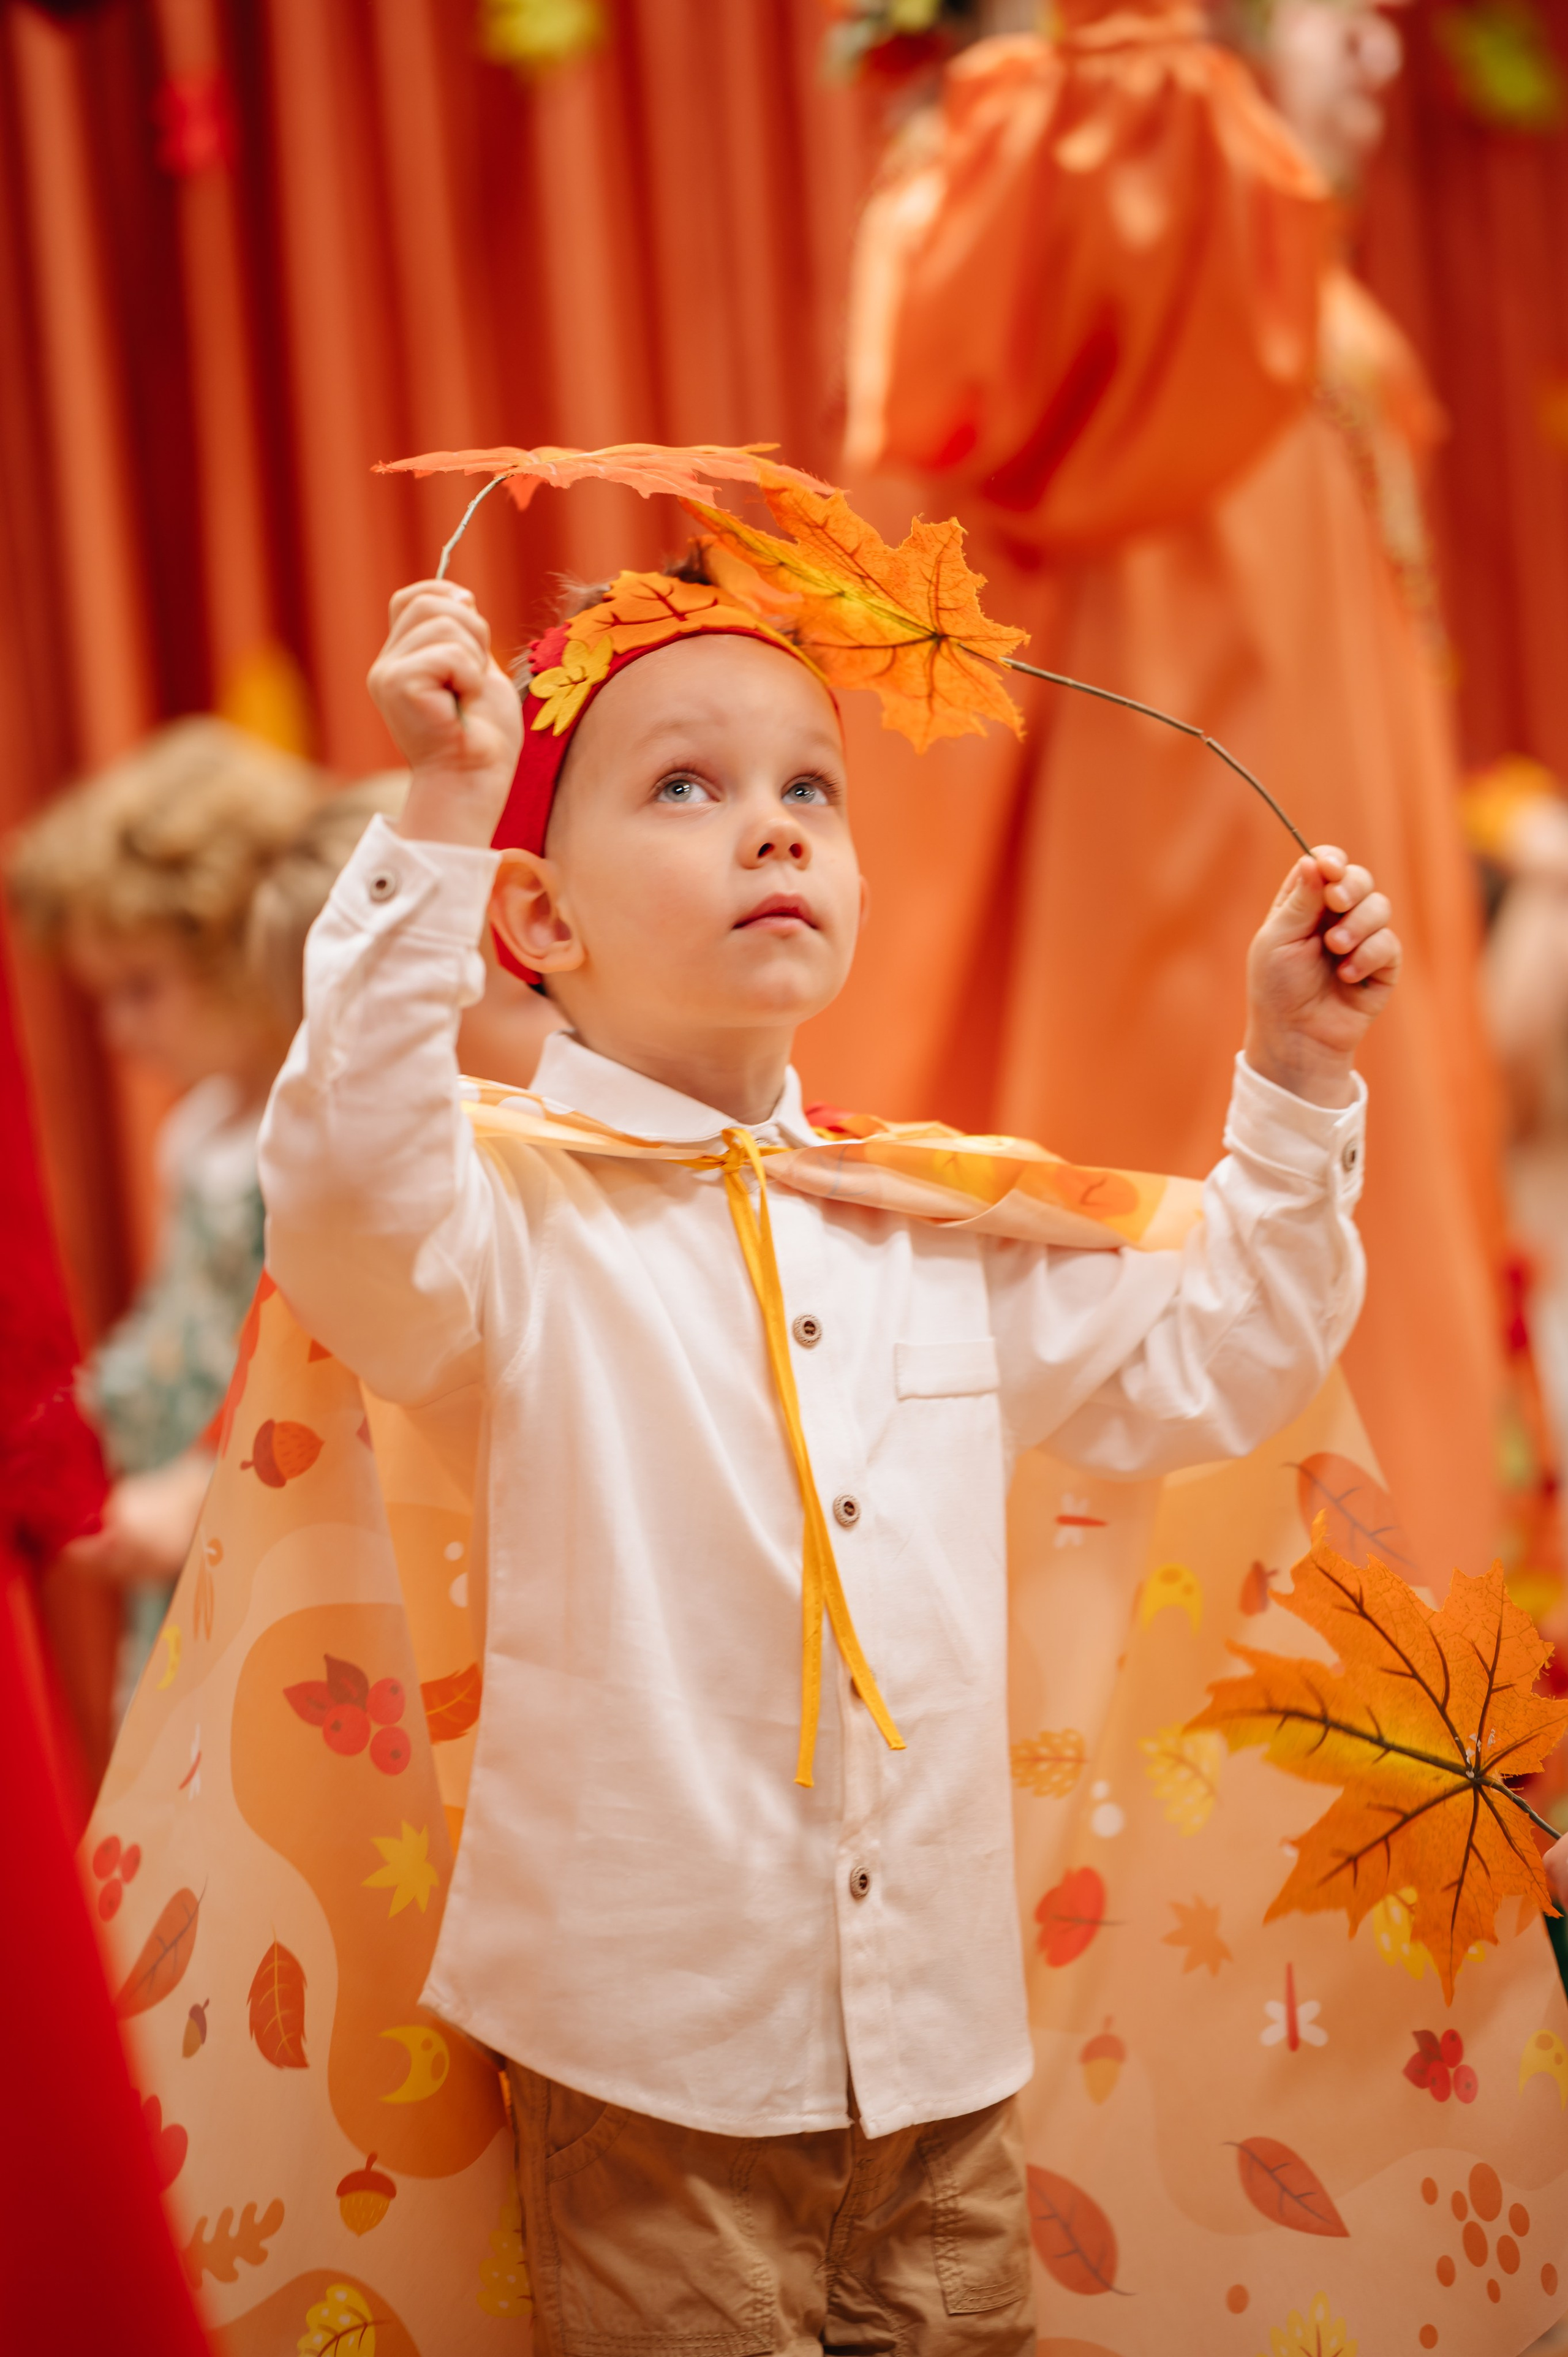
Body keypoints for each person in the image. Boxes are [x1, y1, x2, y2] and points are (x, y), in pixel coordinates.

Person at [257, 552, 1398, 2355]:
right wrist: (449, 814)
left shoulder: (924, 1219)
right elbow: (342, 1189)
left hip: (942, 2068)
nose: (774, 831)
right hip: (650, 2076)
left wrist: (1298, 1076)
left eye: (811, 790)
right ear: (539, 920)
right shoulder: (509, 1226)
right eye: (688, 787)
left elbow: (1217, 1366)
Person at [819, 0, 1512, 1597]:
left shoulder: (1280, 290)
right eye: (1347, 13)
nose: (1385, 58)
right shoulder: (1126, 244)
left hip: (1334, 962)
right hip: (1168, 937)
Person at [7, 718, 315, 1762]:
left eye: (141, 988)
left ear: (237, 944)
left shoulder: (312, 1136)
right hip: (168, 1539)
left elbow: (307, 1360)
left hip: (265, 1534)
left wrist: (200, 1491)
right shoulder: (200, 1131)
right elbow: (181, 1325)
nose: (119, 1031)